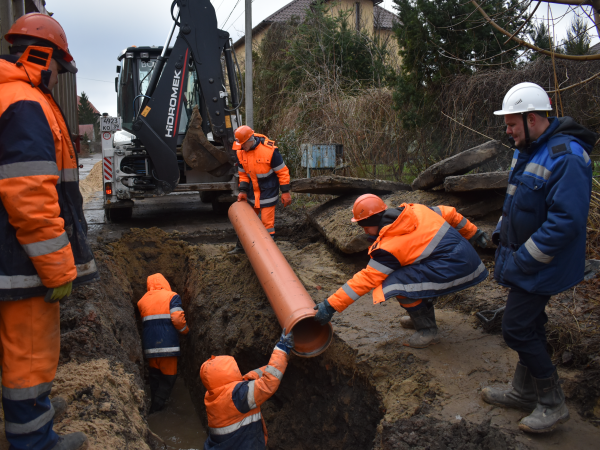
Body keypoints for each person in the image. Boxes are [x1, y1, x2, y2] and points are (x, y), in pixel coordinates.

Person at [0, 13, 98, 450]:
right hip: (20, 260)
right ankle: (34, 439)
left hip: (13, 252)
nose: (59, 75)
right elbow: (30, 193)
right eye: (59, 66)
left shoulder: (14, 96)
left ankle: (33, 411)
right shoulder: (25, 103)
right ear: (43, 57)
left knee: (20, 352)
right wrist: (58, 267)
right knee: (30, 352)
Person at [481, 82, 596, 433]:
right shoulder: (529, 149)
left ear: (532, 119)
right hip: (524, 257)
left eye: (512, 123)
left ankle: (552, 402)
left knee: (516, 328)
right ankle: (524, 390)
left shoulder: (567, 157)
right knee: (529, 324)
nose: (507, 130)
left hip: (544, 263)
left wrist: (524, 259)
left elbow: (565, 223)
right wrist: (502, 231)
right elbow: (515, 198)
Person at [314, 194, 489, 348]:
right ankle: (421, 317)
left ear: (372, 222)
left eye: (364, 226)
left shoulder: (389, 247)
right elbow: (450, 213)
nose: (364, 230)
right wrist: (473, 232)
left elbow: (366, 279)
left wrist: (331, 305)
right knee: (408, 273)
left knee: (395, 283)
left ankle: (427, 329)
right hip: (465, 259)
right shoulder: (415, 210)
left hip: (458, 268)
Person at [200, 330, 294, 449]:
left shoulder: (213, 396)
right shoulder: (238, 395)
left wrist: (279, 362)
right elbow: (268, 383)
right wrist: (282, 349)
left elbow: (250, 377)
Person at [228, 126, 292, 254]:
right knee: (246, 220)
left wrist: (285, 192)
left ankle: (268, 252)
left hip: (268, 190)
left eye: (243, 144)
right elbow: (243, 175)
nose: (241, 147)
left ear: (250, 139)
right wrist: (243, 191)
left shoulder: (270, 150)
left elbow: (283, 172)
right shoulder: (240, 151)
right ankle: (241, 247)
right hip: (252, 191)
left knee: (266, 224)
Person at [137, 273, 189, 413]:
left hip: (150, 348)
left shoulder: (141, 301)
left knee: (155, 376)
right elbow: (177, 318)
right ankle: (157, 408)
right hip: (168, 346)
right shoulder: (172, 296)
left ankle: (153, 402)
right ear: (164, 282)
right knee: (168, 377)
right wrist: (185, 331)